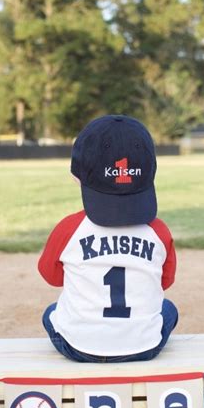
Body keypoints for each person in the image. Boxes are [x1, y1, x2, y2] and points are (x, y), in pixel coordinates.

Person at [39, 114, 178, 363]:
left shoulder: (68, 228)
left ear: (76, 175)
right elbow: (163, 283)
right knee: (169, 309)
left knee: (51, 312)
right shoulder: (159, 231)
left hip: (76, 347)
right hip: (145, 347)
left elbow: (52, 277)